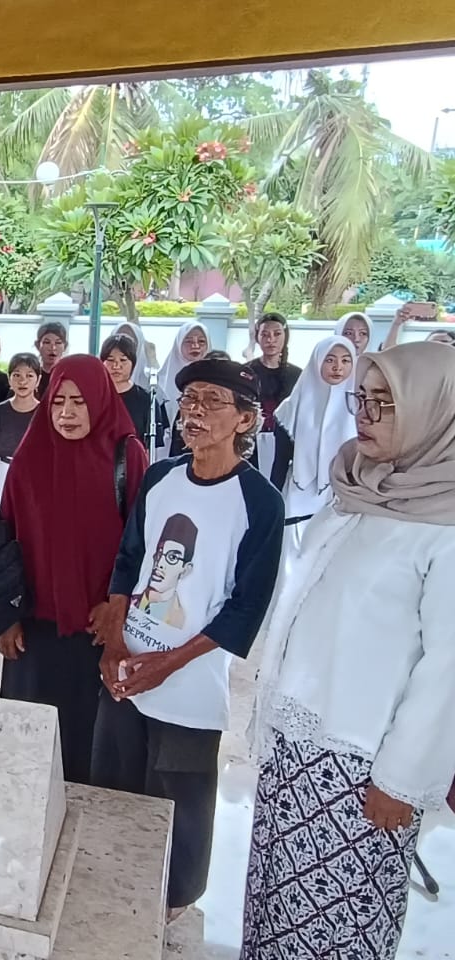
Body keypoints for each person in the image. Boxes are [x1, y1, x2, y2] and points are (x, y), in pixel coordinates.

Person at [242, 342, 455, 960]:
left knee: (334, 926)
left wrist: (402, 781)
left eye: (386, 405)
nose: (365, 414)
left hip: (364, 771)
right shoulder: (357, 491)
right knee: (275, 910)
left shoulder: (443, 531)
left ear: (434, 413)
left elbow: (447, 671)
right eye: (363, 399)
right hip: (298, 749)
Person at [91, 357, 283, 922]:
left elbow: (247, 607)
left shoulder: (259, 503)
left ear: (245, 421)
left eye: (212, 402)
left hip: (192, 673)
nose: (194, 411)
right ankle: (115, 877)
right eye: (189, 399)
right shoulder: (160, 477)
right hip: (129, 657)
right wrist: (114, 640)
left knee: (181, 790)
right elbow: (129, 559)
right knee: (115, 774)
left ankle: (174, 900)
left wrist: (169, 663)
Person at [0, 355, 148, 784]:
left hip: (98, 632)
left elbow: (142, 543)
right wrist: (5, 617)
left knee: (93, 754)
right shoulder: (30, 455)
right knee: (29, 757)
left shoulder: (127, 454)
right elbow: (5, 541)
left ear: (100, 401)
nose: (65, 413)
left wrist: (116, 609)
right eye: (58, 400)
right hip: (34, 634)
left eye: (79, 402)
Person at [269, 336, 357, 527]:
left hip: (344, 497)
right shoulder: (291, 408)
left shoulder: (360, 409)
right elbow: (280, 462)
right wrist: (271, 505)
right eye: (330, 359)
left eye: (345, 360)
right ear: (317, 361)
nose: (337, 367)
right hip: (298, 495)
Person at [245, 312, 302, 479]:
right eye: (265, 334)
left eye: (277, 334)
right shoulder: (246, 372)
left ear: (285, 337)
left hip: (285, 444)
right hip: (251, 442)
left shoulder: (298, 375)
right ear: (257, 337)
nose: (271, 339)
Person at [0, 353, 40, 505]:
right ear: (9, 379)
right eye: (16, 375)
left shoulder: (44, 414)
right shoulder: (0, 411)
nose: (23, 381)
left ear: (38, 380)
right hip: (2, 473)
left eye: (29, 376)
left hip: (34, 474)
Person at [154, 320, 210, 458]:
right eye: (189, 341)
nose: (195, 346)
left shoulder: (217, 379)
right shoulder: (160, 381)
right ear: (178, 344)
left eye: (201, 341)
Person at [103, 334, 154, 448]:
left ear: (133, 363)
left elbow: (151, 446)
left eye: (123, 360)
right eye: (110, 360)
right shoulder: (94, 397)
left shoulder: (146, 399)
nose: (116, 366)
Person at [114, 321, 153, 390]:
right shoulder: (98, 378)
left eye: (130, 340)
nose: (124, 344)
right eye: (120, 338)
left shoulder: (150, 385)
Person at [35, 320, 69, 399]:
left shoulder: (69, 376)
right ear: (37, 345)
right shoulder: (31, 376)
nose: (53, 348)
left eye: (58, 343)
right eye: (47, 342)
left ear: (65, 346)